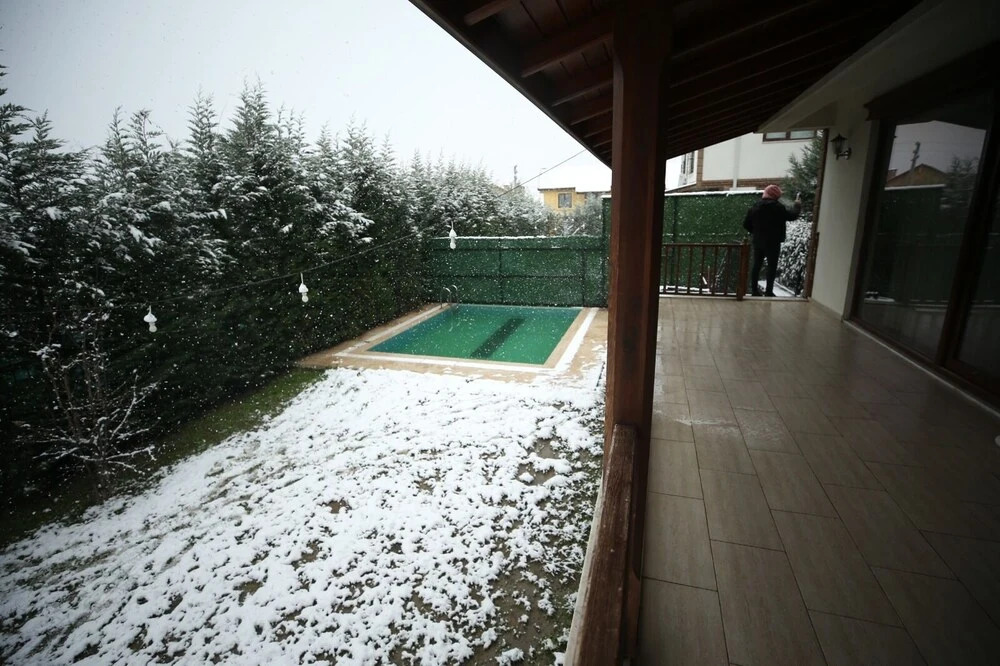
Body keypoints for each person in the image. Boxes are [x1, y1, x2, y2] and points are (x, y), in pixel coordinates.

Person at [742, 184, 801, 297]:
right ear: (776, 195)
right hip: (773, 242)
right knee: (771, 266)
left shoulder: (756, 206)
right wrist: (797, 205)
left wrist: (756, 232)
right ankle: (769, 291)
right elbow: (792, 216)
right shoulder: (778, 207)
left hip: (758, 241)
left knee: (756, 265)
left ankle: (754, 291)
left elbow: (746, 224)